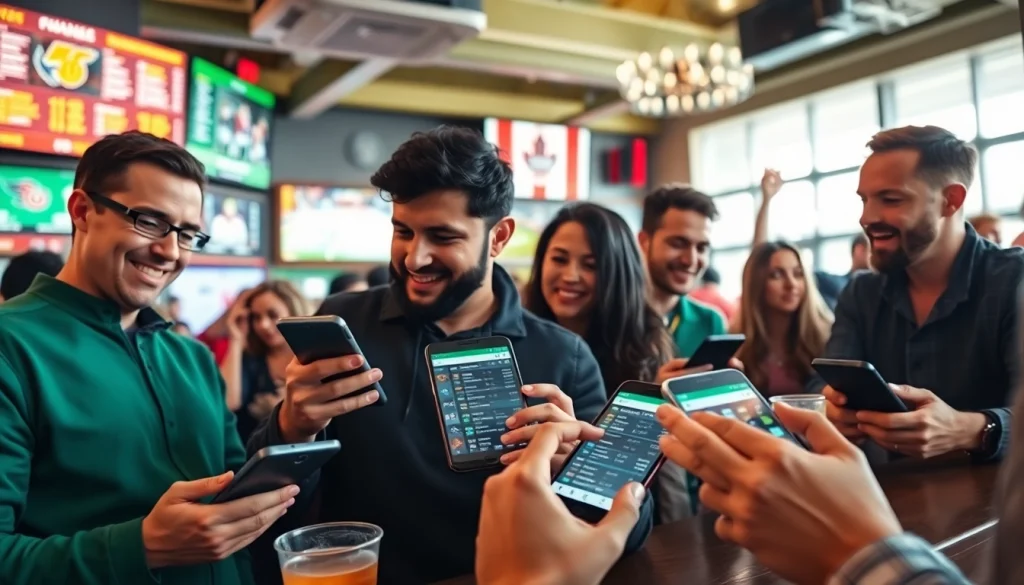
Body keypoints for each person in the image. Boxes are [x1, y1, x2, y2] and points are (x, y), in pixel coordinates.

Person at [248, 126, 651, 585]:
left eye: (442, 236)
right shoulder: (347, 321)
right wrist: (292, 426)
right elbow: (264, 500)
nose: (414, 258)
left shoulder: (564, 355)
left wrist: (579, 473)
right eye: (403, 231)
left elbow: (633, 525)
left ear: (499, 237)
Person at [0, 131, 296, 585]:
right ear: (82, 211)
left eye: (187, 234)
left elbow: (236, 504)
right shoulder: (12, 346)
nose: (170, 251)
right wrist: (141, 547)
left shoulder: (193, 359)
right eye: (150, 221)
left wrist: (298, 424)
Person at [814, 125, 1023, 463]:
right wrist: (832, 408)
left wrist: (971, 429)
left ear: (951, 201)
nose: (867, 217)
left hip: (1001, 494)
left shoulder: (1014, 280)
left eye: (891, 199)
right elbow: (824, 386)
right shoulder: (860, 293)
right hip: (886, 493)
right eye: (864, 200)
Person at [522, 202, 673, 394]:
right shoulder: (516, 337)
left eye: (590, 265)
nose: (570, 276)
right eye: (559, 259)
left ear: (619, 274)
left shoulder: (645, 350)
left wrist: (650, 399)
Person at [754, 168, 866, 310]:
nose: (791, 283)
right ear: (859, 250)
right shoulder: (832, 283)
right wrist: (766, 201)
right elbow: (760, 258)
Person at [638, 184, 727, 363]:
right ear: (645, 241)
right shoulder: (612, 317)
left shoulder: (710, 321)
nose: (691, 260)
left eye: (701, 248)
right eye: (678, 244)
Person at [732, 241, 832, 396]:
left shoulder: (827, 337)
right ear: (756, 284)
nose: (791, 284)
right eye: (776, 275)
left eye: (798, 274)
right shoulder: (738, 346)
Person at [220, 280, 310, 442]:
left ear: (294, 312)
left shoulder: (314, 357)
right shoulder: (251, 359)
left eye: (272, 315)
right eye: (256, 317)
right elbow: (227, 403)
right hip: (254, 451)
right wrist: (236, 340)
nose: (263, 325)